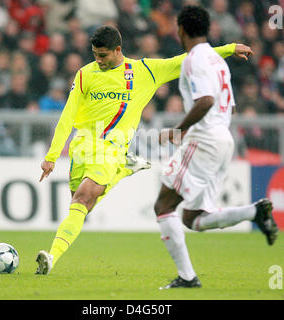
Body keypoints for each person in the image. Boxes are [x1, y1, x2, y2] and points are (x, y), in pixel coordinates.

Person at [35, 25, 254, 275]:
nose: (98, 59)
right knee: (83, 205)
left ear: (118, 50)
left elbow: (185, 59)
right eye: (95, 54)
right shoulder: (85, 74)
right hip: (82, 148)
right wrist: (52, 156)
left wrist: (227, 49)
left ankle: (51, 258)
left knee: (83, 198)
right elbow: (67, 116)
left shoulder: (144, 71)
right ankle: (123, 169)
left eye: (103, 55)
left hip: (111, 149)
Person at [154, 5, 279, 290]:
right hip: (224, 138)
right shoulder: (218, 61)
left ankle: (187, 277)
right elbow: (229, 107)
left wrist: (179, 130)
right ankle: (254, 212)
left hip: (205, 139)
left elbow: (206, 100)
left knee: (163, 204)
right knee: (193, 218)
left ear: (181, 30)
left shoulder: (194, 60)